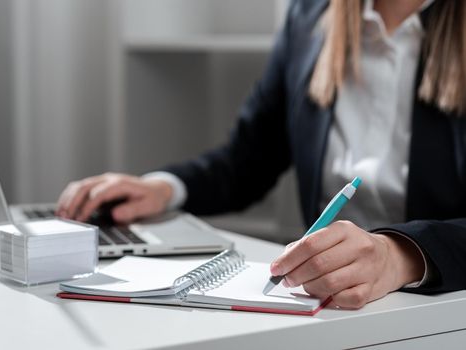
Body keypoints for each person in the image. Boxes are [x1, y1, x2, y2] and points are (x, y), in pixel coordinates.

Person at [56, 0, 466, 309]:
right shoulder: (309, 17)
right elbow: (247, 161)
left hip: (436, 306)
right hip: (322, 304)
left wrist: (401, 255)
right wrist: (162, 189)